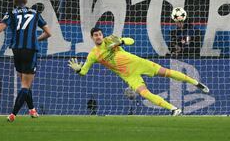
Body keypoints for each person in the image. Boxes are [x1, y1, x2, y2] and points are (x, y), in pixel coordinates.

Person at [68, 27, 209, 116]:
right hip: (129, 75)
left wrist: (121, 41)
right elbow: (84, 72)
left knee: (167, 72)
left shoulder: (110, 40)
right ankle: (174, 109)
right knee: (144, 93)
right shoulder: (93, 54)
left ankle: (195, 82)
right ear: (92, 38)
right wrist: (78, 70)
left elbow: (131, 40)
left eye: (99, 34)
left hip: (138, 63)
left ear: (102, 35)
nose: (98, 36)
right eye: (95, 35)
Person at [0, 0, 51, 122]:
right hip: (30, 50)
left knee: (24, 83)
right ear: (26, 1)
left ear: (14, 2)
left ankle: (32, 110)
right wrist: (36, 39)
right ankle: (13, 114)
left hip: (17, 50)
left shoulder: (10, 13)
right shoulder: (35, 13)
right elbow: (48, 33)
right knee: (26, 85)